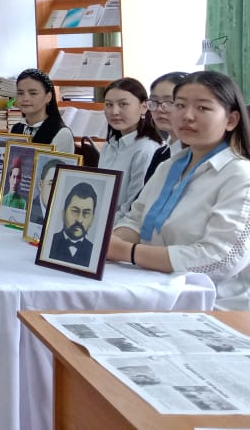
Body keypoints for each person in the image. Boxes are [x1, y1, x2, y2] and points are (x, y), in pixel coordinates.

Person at [107, 71, 250, 310]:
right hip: (154, 289)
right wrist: (110, 243)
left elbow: (220, 260)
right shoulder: (169, 166)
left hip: (215, 306)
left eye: (202, 108)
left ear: (231, 120)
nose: (187, 116)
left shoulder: (240, 175)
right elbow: (135, 219)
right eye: (180, 105)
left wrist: (129, 252)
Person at [99, 78, 162, 217]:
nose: (114, 111)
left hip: (122, 225)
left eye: (123, 104)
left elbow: (133, 207)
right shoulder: (109, 145)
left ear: (144, 107)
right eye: (109, 104)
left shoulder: (146, 149)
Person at [10, 68, 75, 153]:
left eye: (33, 93)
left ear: (48, 97)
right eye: (20, 93)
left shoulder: (61, 133)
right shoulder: (15, 129)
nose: (25, 98)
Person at [143, 71, 187, 183]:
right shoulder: (160, 154)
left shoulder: (197, 156)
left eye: (170, 102)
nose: (159, 109)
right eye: (154, 101)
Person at [48, 181, 97, 267]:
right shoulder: (48, 244)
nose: (79, 220)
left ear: (92, 219)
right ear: (63, 213)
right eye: (75, 211)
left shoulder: (95, 253)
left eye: (86, 213)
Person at [29, 157, 64, 226]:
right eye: (52, 184)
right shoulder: (28, 211)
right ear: (40, 185)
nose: (56, 190)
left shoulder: (64, 215)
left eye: (60, 184)